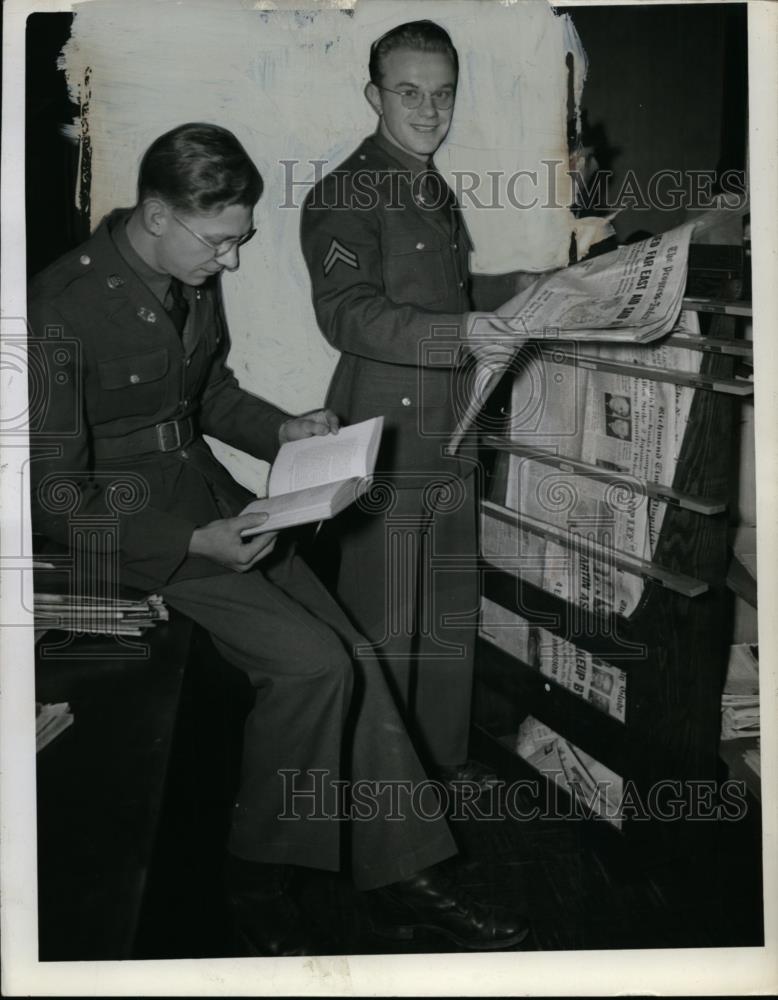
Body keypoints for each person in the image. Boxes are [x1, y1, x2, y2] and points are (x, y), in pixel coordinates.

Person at [27, 122, 529, 956]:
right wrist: (191, 543)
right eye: (220, 242)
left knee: (351, 651)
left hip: (214, 497)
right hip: (133, 527)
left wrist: (286, 431)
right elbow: (53, 496)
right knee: (314, 662)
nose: (230, 262)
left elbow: (207, 396)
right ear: (157, 213)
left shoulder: (180, 269)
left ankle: (403, 871)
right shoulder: (58, 308)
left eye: (238, 242)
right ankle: (255, 876)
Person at [300, 20, 521, 789]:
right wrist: (464, 330)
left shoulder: (427, 183)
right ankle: (387, 798)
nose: (429, 110)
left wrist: (531, 288)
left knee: (449, 611)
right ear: (374, 95)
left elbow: (446, 295)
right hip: (387, 435)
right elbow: (349, 313)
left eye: (443, 93)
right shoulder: (345, 193)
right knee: (388, 618)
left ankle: (441, 767)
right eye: (408, 93)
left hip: (451, 431)